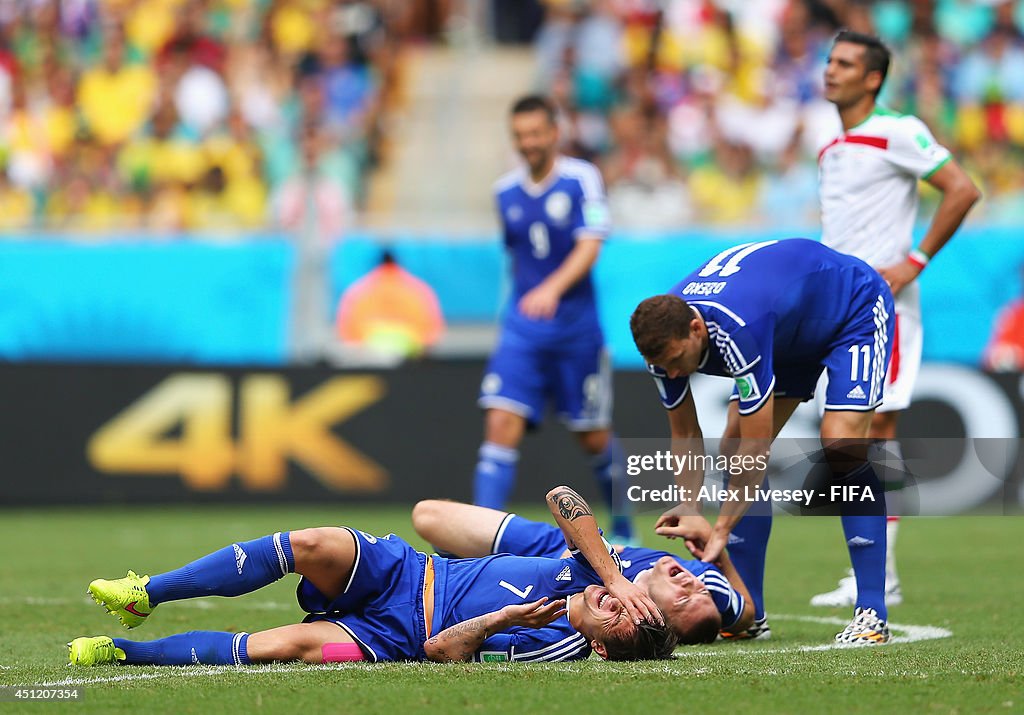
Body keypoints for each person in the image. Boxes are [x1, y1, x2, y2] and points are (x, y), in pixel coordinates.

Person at [68, 486, 674, 666]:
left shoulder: (555, 648)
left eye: (619, 619)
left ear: (600, 644)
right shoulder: (591, 570)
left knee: (281, 648)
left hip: (394, 638)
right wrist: (617, 577)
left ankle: (124, 651)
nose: (616, 603)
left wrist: (506, 618)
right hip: (405, 572)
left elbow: (442, 651)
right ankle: (146, 593)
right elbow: (562, 495)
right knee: (310, 543)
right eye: (628, 603)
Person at [630, 237, 895, 646]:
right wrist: (690, 506)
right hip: (789, 330)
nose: (675, 374)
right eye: (664, 367)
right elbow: (684, 431)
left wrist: (721, 526)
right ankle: (752, 613)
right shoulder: (664, 344)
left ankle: (873, 613)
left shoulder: (737, 327)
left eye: (678, 361)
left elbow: (758, 450)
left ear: (697, 329)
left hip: (851, 310)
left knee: (841, 446)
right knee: (731, 444)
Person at [812, 30, 981, 608]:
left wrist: (913, 262)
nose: (831, 70)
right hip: (834, 311)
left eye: (846, 63)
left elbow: (961, 189)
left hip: (883, 311)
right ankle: (869, 569)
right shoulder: (831, 146)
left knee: (875, 430)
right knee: (842, 439)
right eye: (830, 60)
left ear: (873, 77)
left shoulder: (899, 129)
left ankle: (879, 575)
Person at [475, 94, 633, 542]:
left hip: (575, 331)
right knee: (499, 422)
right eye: (520, 135)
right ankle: (480, 542)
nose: (528, 143)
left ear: (554, 133)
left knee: (593, 436)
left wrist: (552, 288)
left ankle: (622, 526)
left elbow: (592, 243)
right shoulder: (504, 192)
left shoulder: (582, 179)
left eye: (535, 133)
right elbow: (517, 256)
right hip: (523, 330)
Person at [412, 499, 755, 644]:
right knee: (426, 516)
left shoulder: (604, 616)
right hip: (548, 543)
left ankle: (463, 565)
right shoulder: (706, 582)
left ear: (651, 613)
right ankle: (463, 558)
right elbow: (745, 614)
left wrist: (606, 578)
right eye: (702, 589)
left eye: (683, 598)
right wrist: (718, 553)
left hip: (545, 571)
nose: (693, 582)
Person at [335, 249, 446, 359]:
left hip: (369, 348)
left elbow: (347, 332)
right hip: (409, 350)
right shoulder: (418, 289)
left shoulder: (359, 290)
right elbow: (431, 332)